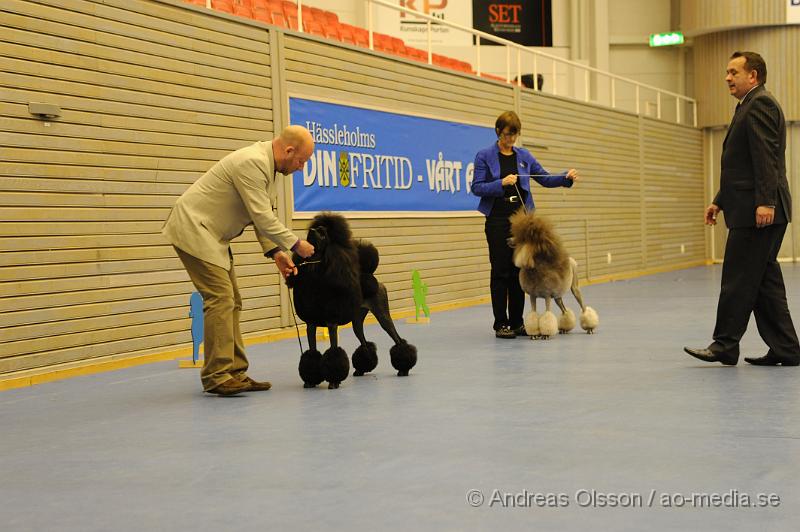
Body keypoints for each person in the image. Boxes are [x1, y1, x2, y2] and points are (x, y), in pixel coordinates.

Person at [163, 126, 317, 395]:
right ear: (289, 150)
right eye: (301, 161)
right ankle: (217, 376)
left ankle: (235, 371)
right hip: (194, 228)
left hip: (212, 235)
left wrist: (277, 254)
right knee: (220, 299)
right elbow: (263, 218)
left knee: (232, 300)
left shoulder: (267, 168)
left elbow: (259, 212)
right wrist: (295, 244)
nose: (301, 168)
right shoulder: (252, 162)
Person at [684, 51, 800, 367]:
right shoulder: (748, 106)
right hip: (751, 206)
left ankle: (724, 345)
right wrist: (720, 200)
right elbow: (742, 165)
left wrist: (766, 202)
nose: (727, 77)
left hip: (758, 211)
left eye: (733, 72)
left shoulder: (759, 104)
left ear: (754, 75)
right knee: (763, 281)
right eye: (727, 72)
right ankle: (787, 349)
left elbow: (765, 158)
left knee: (738, 278)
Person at [471, 111, 579, 339]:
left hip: (522, 221)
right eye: (508, 134)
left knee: (518, 271)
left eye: (515, 135)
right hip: (497, 219)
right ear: (499, 132)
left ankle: (517, 321)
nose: (511, 139)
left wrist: (565, 178)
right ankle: (501, 323)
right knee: (500, 271)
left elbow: (544, 177)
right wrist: (500, 182)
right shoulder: (484, 156)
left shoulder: (524, 156)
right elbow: (477, 187)